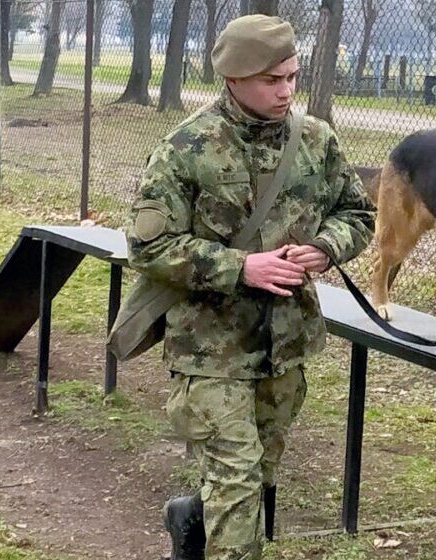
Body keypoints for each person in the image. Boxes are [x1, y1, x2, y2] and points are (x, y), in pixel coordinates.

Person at [123, 14, 375, 560]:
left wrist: (327, 246)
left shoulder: (316, 141)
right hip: (209, 350)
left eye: (292, 76)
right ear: (233, 78)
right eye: (271, 79)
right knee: (237, 481)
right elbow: (147, 247)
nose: (286, 90)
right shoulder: (186, 148)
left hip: (285, 345)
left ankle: (190, 517)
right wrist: (242, 267)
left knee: (256, 473)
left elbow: (357, 212)